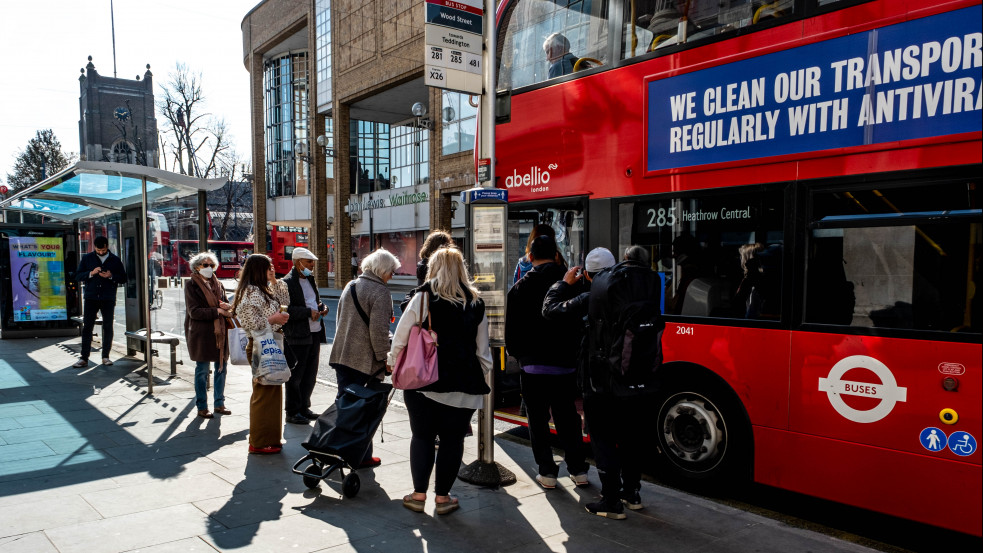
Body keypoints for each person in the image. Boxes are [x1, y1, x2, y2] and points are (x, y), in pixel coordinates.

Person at [546, 246, 659, 519]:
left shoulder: (590, 295)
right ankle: (631, 493)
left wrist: (563, 284)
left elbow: (550, 310)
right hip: (637, 376)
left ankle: (610, 501)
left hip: (601, 382)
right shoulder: (639, 288)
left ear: (586, 274)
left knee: (603, 437)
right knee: (631, 437)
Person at [390, 247, 492, 515]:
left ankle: (418, 495)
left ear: (434, 267)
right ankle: (443, 499)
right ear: (462, 269)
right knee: (453, 440)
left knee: (422, 437)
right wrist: (478, 372)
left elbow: (401, 336)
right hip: (464, 381)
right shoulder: (476, 301)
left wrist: (393, 362)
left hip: (425, 379)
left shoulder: (423, 297)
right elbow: (483, 350)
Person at [505, 236, 589, 489]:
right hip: (565, 365)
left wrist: (522, 358)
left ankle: (547, 472)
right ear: (555, 255)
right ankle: (578, 470)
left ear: (530, 257)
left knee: (537, 420)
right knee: (567, 417)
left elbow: (512, 333)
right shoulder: (571, 282)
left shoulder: (519, 288)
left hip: (532, 366)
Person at [328, 248, 400, 467]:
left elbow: (342, 320)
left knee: (344, 404)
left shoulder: (350, 285)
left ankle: (336, 449)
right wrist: (385, 360)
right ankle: (361, 456)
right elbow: (378, 332)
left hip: (342, 355)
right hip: (365, 362)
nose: (392, 276)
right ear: (383, 270)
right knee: (365, 409)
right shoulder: (380, 292)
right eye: (392, 272)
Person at [231, 254, 290, 454]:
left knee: (273, 392)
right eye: (268, 267)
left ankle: (271, 438)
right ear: (258, 270)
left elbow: (284, 300)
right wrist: (274, 318)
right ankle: (258, 441)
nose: (272, 269)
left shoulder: (264, 289)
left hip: (271, 343)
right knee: (263, 393)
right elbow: (251, 323)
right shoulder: (249, 292)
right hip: (258, 344)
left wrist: (274, 281)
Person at [280, 247, 329, 425]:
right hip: (298, 334)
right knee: (296, 375)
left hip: (314, 332)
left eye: (313, 262)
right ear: (297, 262)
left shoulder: (309, 279)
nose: (312, 266)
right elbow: (286, 310)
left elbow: (314, 301)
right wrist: (309, 312)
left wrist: (322, 307)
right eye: (309, 262)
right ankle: (292, 411)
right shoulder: (286, 282)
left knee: (310, 373)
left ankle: (304, 407)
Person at [184, 251, 233, 419]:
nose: (209, 268)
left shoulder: (218, 284)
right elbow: (194, 312)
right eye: (205, 265)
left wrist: (226, 307)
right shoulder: (191, 285)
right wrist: (217, 310)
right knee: (202, 370)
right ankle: (202, 406)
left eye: (212, 265)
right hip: (202, 334)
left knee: (221, 368)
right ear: (196, 267)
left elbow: (225, 303)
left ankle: (219, 403)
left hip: (220, 333)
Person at [73, 236, 127, 368]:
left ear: (107, 246)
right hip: (91, 297)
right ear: (94, 248)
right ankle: (84, 358)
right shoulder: (87, 258)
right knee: (87, 327)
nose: (101, 252)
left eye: (103, 250)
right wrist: (91, 273)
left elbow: (123, 278)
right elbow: (78, 275)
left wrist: (111, 276)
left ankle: (105, 356)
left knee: (108, 326)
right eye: (98, 250)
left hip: (108, 297)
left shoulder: (114, 260)